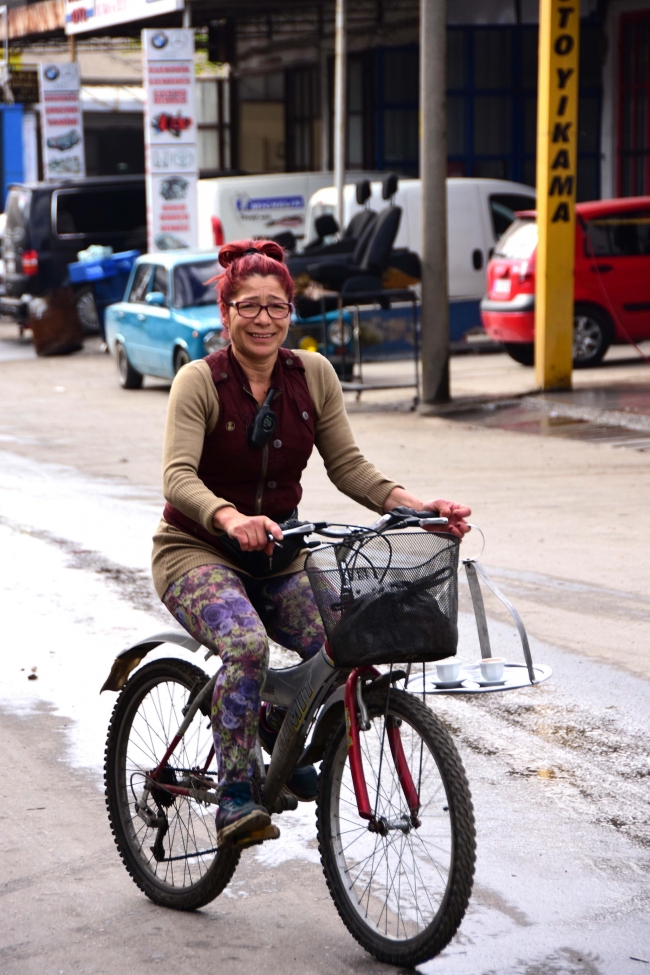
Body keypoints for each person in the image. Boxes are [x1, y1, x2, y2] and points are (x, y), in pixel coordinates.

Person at [152, 238, 471, 848]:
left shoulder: (314, 374)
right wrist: (229, 517)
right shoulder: (199, 381)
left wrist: (419, 508)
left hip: (279, 555)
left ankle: (279, 729)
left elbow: (348, 466)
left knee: (348, 640)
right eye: (249, 306)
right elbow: (177, 477)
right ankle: (236, 797)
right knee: (246, 645)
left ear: (291, 312)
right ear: (226, 313)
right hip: (196, 552)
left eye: (277, 306)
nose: (264, 319)